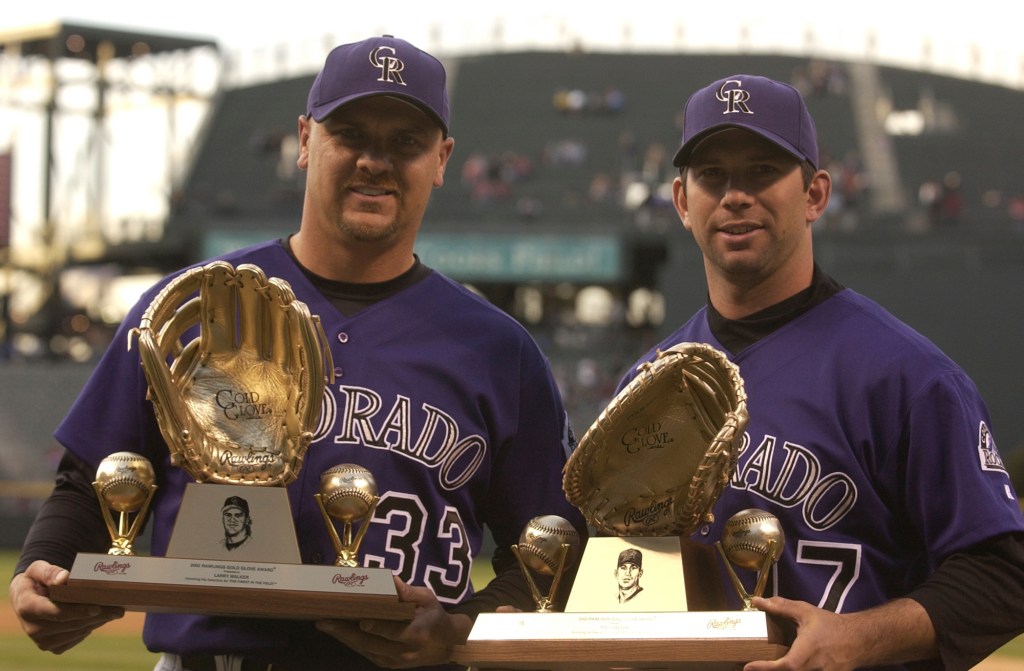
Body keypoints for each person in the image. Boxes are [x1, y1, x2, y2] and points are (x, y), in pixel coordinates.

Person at [10, 35, 586, 671]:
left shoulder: (498, 349)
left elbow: (551, 548)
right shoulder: (195, 306)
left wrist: (462, 631)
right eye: (351, 134)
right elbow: (89, 480)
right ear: (306, 140)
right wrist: (49, 567)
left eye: (406, 143)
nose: (376, 161)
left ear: (442, 158)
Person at [616, 74, 1024, 670]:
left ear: (814, 195)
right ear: (682, 201)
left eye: (761, 171)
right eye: (712, 176)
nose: (735, 195)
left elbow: (1002, 576)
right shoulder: (647, 386)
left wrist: (861, 638)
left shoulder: (907, 377)